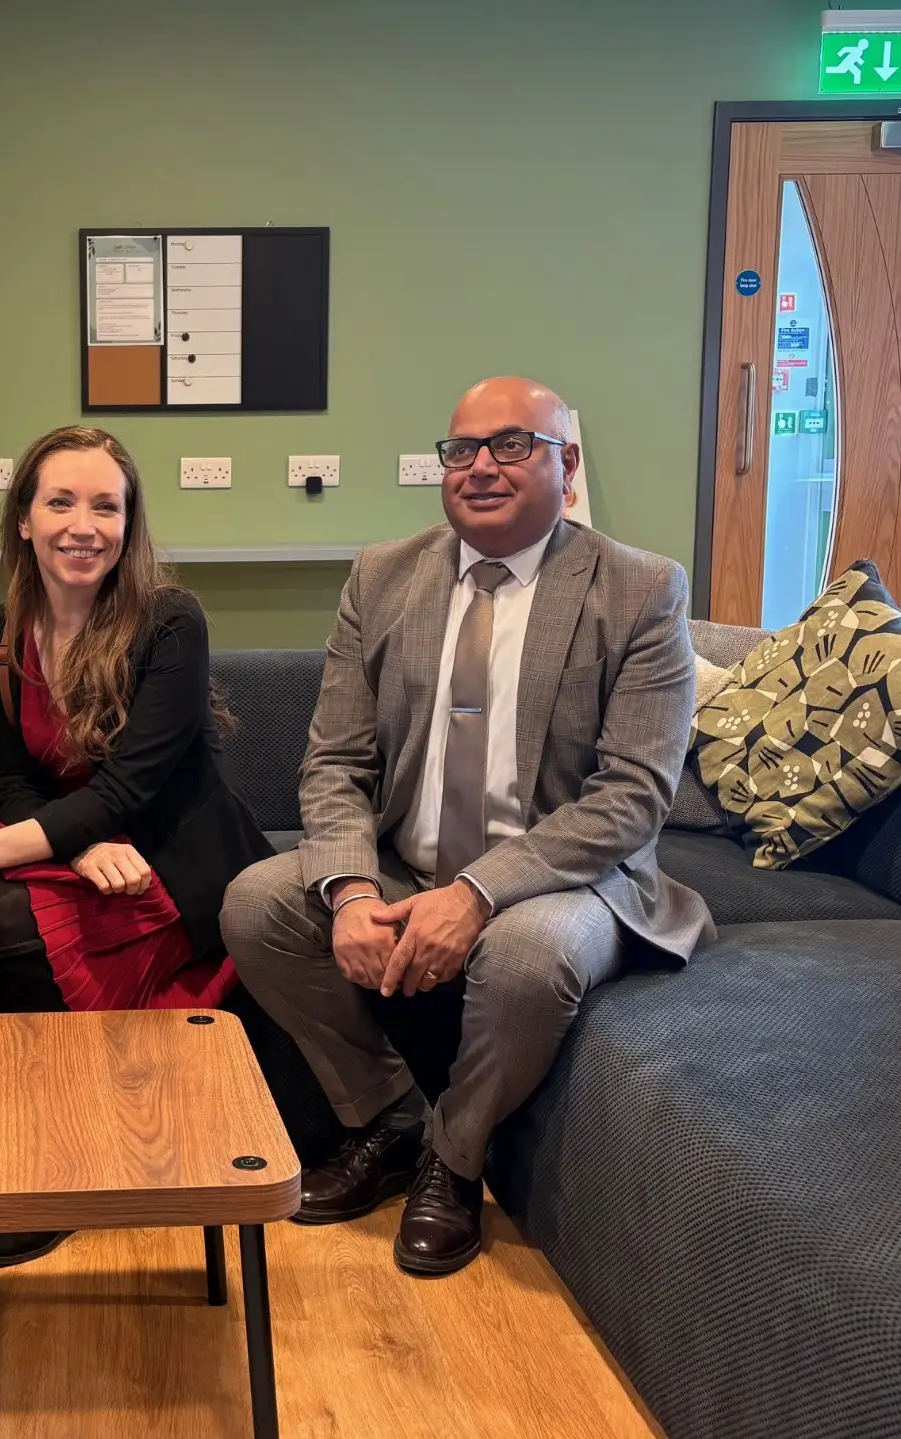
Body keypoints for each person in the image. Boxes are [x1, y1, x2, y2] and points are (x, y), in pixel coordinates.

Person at [221, 377, 714, 1277]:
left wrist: (478, 893)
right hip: (408, 863)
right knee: (257, 903)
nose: (480, 466)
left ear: (567, 468)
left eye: (512, 445)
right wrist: (351, 888)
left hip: (567, 880)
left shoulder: (640, 588)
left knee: (528, 957)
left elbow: (633, 796)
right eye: (461, 449)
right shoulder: (382, 574)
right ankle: (393, 1123)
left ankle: (454, 1159)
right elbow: (334, 762)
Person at [0, 424, 274, 1268]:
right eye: (60, 500)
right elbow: (9, 787)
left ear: (130, 523)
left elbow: (130, 790)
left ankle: (63, 1164)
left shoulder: (170, 619)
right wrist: (66, 852)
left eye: (107, 505)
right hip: (84, 850)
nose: (84, 524)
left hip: (174, 861)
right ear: (22, 518)